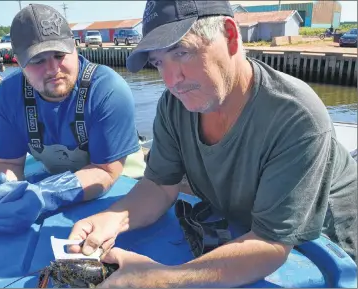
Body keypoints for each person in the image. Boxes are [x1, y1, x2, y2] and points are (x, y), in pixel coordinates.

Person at [68, 0, 357, 287]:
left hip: (327, 249)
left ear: (230, 36)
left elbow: (271, 243)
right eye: (158, 63)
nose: (170, 80)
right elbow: (159, 185)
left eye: (181, 52)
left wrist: (164, 279)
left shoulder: (296, 117)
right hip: (250, 232)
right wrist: (112, 219)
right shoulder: (175, 105)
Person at [0, 3, 146, 234]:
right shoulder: (8, 96)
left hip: (122, 181)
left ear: (74, 48)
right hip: (59, 184)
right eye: (38, 60)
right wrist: (5, 192)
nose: (53, 68)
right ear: (18, 61)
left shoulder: (108, 90)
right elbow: (5, 163)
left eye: (59, 55)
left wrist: (47, 194)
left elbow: (106, 171)